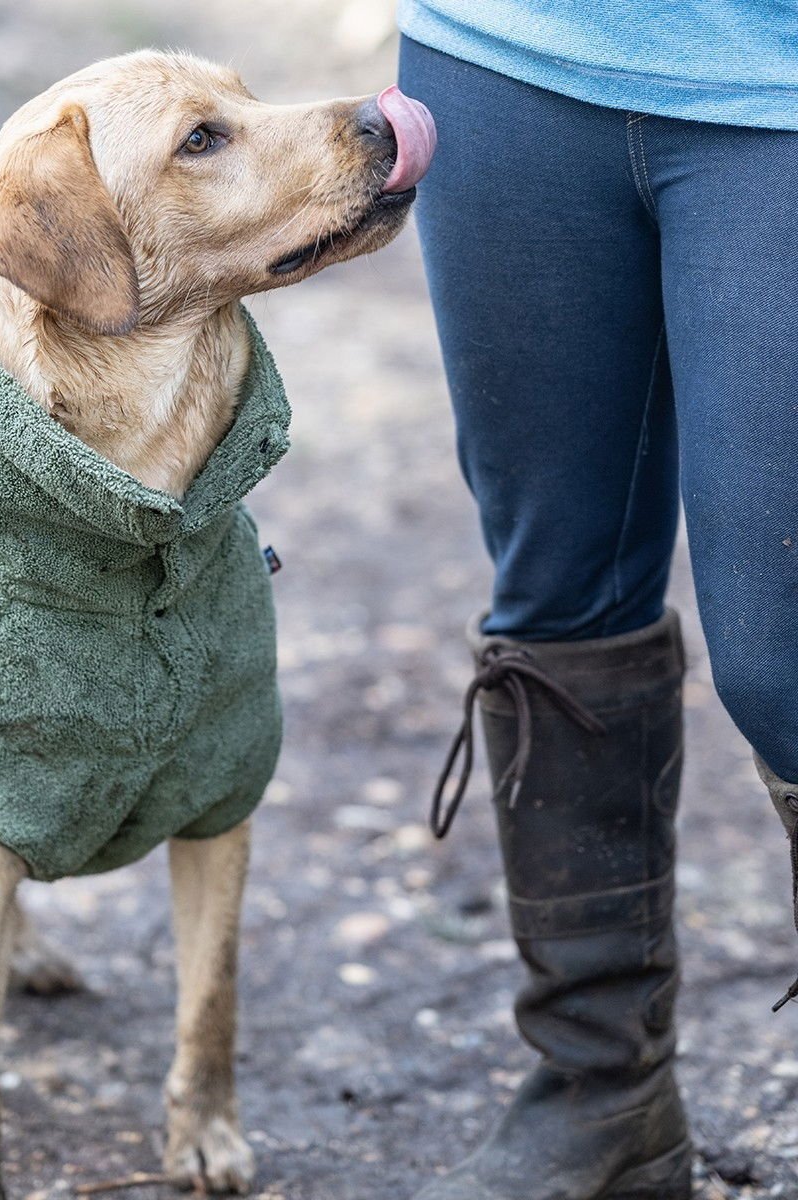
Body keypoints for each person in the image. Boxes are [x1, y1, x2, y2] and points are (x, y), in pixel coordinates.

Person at [394, 4, 798, 1198]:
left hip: (774, 87)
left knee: (783, 660)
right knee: (554, 595)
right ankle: (601, 1104)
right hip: (500, 55)